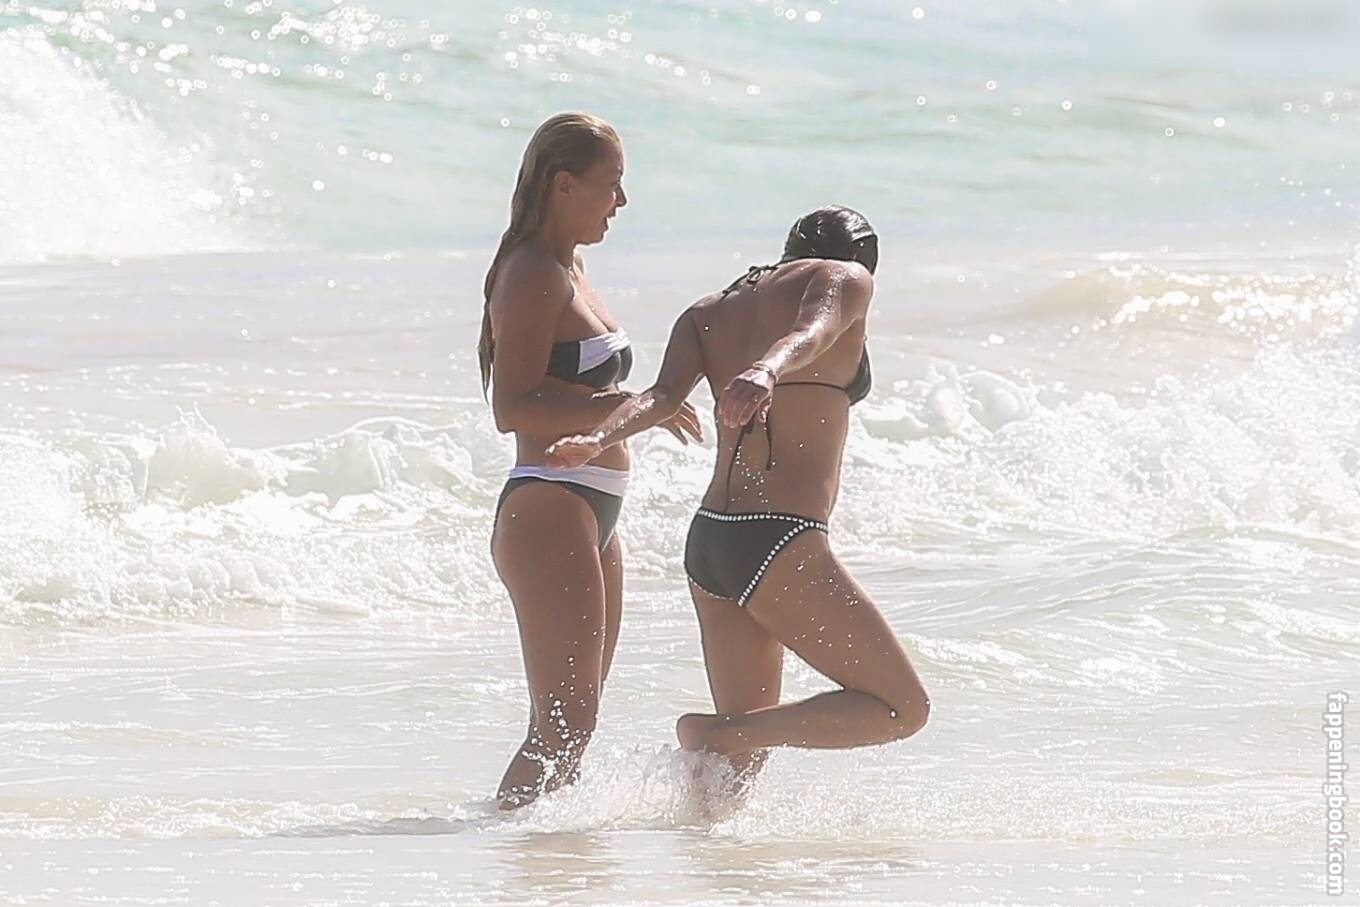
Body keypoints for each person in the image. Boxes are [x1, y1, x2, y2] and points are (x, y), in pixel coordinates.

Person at [546, 206, 929, 791]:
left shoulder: (708, 312)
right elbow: (812, 333)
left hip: (712, 542)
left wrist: (598, 439)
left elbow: (661, 397)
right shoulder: (844, 278)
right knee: (902, 708)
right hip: (779, 538)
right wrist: (767, 370)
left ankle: (703, 842)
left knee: (739, 763)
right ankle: (712, 734)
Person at [481, 112, 702, 808]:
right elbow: (512, 406)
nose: (622, 200)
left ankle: (536, 856)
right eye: (612, 183)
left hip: (591, 509)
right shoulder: (531, 273)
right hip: (549, 502)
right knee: (562, 727)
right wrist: (631, 405)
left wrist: (633, 410)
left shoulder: (571, 268)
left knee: (572, 725)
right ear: (563, 184)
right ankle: (503, 840)